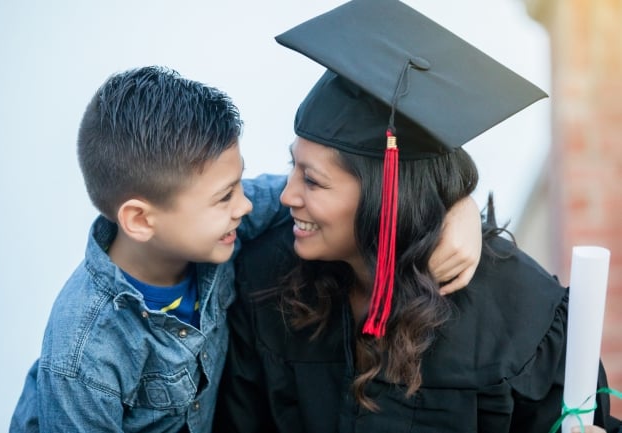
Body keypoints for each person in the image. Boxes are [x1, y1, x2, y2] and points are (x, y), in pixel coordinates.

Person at [214, 1, 621, 432]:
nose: (286, 195)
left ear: (388, 194)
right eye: (292, 166)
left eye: (312, 181)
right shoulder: (266, 281)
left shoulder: (523, 315)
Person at [9, 66, 482, 432]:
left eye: (238, 184)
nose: (247, 204)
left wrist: (457, 205)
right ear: (140, 220)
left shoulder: (217, 224)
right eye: (224, 197)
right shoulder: (84, 351)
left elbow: (350, 202)